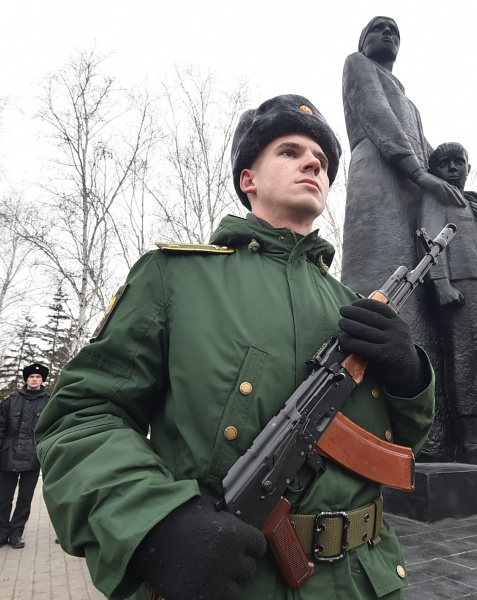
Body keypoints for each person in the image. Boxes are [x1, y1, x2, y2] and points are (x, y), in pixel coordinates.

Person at [34, 95, 436, 600]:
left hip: (364, 583)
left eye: (322, 160)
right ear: (248, 179)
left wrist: (409, 376)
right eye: (290, 152)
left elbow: (403, 449)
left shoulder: (352, 308)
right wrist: (153, 522)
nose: (313, 163)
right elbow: (82, 416)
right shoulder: (175, 277)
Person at [340, 18, 468, 465]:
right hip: (380, 174)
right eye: (379, 29)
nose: (389, 35)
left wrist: (451, 187)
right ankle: (376, 422)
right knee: (384, 278)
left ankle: (431, 433)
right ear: (364, 41)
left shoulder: (410, 101)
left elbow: (427, 149)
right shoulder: (358, 64)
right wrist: (418, 172)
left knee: (419, 290)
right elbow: (376, 115)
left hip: (413, 183)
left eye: (395, 31)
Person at [416, 143, 477, 465]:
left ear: (469, 167)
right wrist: (441, 283)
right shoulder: (437, 198)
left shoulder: (474, 204)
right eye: (445, 163)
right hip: (459, 285)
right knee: (466, 358)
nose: (453, 168)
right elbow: (430, 240)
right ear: (435, 170)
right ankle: (470, 441)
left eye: (459, 162)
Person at [0, 362, 50, 550]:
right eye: (31, 377)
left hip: (33, 457)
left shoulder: (49, 402)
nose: (34, 380)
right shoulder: (10, 401)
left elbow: (51, 432)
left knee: (25, 499)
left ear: (42, 380)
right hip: (8, 455)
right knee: (4, 498)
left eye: (38, 377)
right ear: (26, 379)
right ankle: (0, 534)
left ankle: (16, 534)